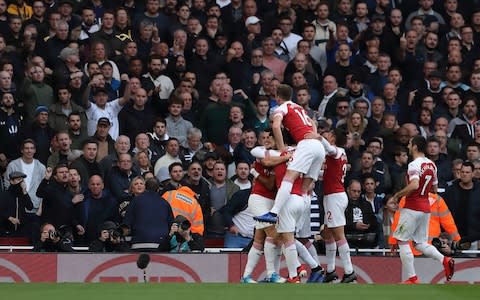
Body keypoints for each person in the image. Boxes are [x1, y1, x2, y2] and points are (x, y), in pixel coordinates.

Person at [255, 84, 325, 224]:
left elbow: (275, 126)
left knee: (289, 178)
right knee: (305, 188)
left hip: (306, 145)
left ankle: (273, 213)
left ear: (277, 97)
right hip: (319, 147)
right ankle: (301, 223)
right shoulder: (299, 108)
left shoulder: (281, 107)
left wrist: (281, 149)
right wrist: (315, 134)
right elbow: (312, 122)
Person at [388, 136, 454, 283]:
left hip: (412, 207)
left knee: (402, 240)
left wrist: (397, 196)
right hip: (425, 208)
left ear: (416, 147)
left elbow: (414, 185)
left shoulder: (414, 164)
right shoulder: (432, 165)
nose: (409, 146)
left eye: (411, 144)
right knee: (421, 243)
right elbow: (435, 188)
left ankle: (412, 278)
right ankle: (445, 259)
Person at [318, 128, 357, 283]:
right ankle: (331, 270)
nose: (325, 136)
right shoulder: (339, 153)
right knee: (327, 233)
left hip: (335, 196)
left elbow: (328, 148)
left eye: (328, 134)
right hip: (332, 195)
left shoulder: (336, 151)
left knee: (339, 234)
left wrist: (316, 135)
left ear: (333, 137)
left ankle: (349, 271)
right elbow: (328, 174)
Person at [124, 176, 174, 252]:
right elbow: (171, 225)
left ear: (145, 188)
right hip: (161, 245)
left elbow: (126, 223)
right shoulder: (165, 203)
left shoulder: (135, 201)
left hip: (139, 244)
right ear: (158, 190)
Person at [0, 171, 33, 237]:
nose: (21, 182)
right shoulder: (4, 194)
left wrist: (24, 192)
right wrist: (9, 218)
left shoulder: (23, 194)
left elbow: (30, 207)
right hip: (6, 229)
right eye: (18, 180)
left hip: (21, 230)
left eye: (22, 180)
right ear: (11, 181)